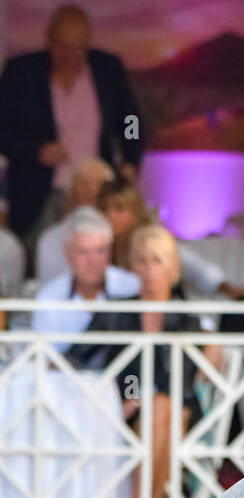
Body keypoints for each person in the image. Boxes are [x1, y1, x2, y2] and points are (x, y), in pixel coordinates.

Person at [64, 224, 221, 498]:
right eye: (142, 261)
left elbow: (187, 378)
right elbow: (73, 357)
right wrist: (109, 398)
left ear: (172, 267)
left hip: (178, 409)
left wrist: (211, 346)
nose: (149, 270)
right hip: (124, 412)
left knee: (164, 407)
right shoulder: (119, 310)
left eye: (157, 260)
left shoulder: (187, 319)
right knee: (161, 411)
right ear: (132, 266)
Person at [0, 4, 143, 246]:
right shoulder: (20, 73)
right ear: (49, 41)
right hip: (38, 195)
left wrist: (131, 159)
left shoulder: (108, 69)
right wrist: (36, 151)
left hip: (97, 194)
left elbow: (132, 120)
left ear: (88, 43)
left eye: (77, 48)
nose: (69, 56)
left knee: (94, 259)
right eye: (62, 47)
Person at [97, 179, 244, 302]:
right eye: (104, 209)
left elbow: (195, 268)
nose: (110, 215)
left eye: (119, 208)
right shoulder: (93, 244)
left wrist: (226, 288)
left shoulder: (152, 240)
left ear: (135, 211)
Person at [31, 206, 138, 351]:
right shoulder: (49, 296)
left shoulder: (132, 287)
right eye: (83, 252)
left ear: (111, 250)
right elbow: (44, 361)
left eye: (100, 250)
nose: (93, 261)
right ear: (67, 255)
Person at [34, 156, 112, 283]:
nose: (92, 190)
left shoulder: (124, 236)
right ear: (70, 191)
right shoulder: (50, 240)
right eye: (84, 183)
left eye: (99, 184)